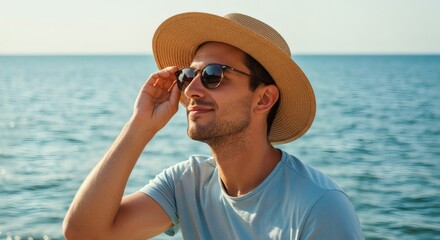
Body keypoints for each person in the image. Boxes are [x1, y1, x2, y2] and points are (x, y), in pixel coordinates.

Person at [63, 12, 364, 239]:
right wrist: (140, 125)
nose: (191, 89)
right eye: (187, 76)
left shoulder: (320, 207)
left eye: (212, 74)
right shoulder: (187, 183)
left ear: (264, 99)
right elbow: (85, 233)